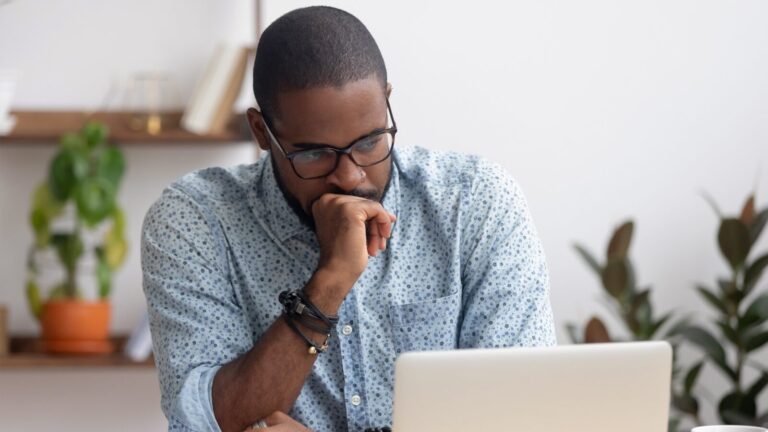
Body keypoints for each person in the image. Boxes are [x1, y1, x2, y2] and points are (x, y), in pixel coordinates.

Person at [141, 6, 556, 432]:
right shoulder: (196, 220)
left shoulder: (474, 203)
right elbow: (206, 425)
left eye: (370, 141)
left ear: (387, 102)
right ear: (262, 133)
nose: (350, 175)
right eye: (314, 153)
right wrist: (330, 282)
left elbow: (524, 413)